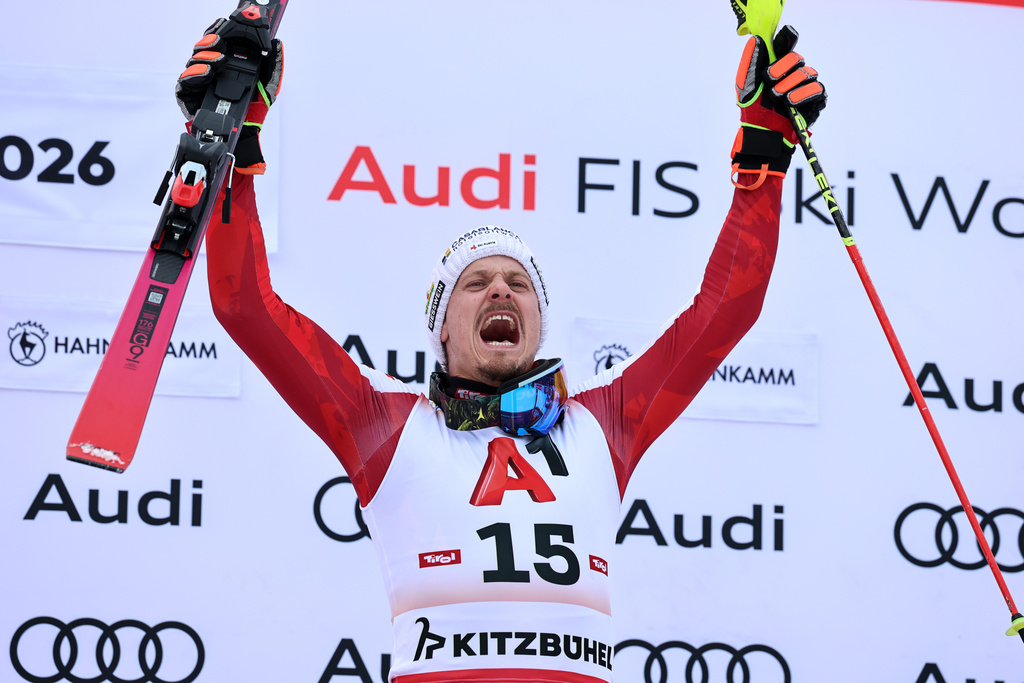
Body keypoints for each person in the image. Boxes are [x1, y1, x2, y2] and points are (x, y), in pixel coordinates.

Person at [177, 17, 826, 683]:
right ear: (444, 329)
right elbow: (244, 305)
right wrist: (232, 143)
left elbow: (727, 310)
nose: (501, 292)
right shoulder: (387, 427)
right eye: (476, 283)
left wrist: (765, 155)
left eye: (520, 284)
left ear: (538, 325)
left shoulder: (604, 424)